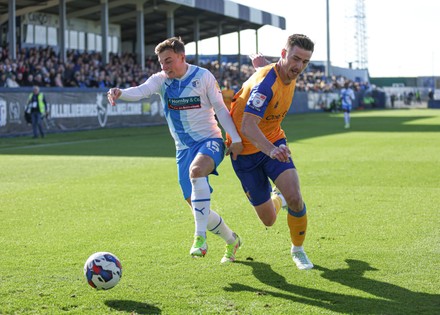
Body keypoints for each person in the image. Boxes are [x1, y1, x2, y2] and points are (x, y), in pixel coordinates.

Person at [107, 37, 244, 264]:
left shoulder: (203, 77)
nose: (165, 67)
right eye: (161, 62)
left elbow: (220, 109)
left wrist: (235, 138)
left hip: (210, 140)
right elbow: (141, 91)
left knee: (197, 171)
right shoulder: (161, 80)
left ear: (182, 57)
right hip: (183, 150)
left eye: (169, 61)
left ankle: (199, 239)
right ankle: (232, 240)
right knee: (200, 209)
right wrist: (120, 92)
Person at [225, 34, 315, 270]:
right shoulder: (266, 86)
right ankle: (278, 198)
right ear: (283, 54)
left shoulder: (285, 71)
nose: (299, 67)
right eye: (296, 59)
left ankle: (298, 250)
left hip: (273, 140)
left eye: (305, 62)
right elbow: (247, 125)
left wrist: (260, 65)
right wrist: (273, 151)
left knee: (296, 198)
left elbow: (269, 69)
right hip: (244, 151)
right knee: (269, 220)